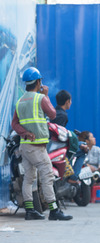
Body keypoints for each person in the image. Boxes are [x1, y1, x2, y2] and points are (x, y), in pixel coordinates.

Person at [11, 67, 72, 221]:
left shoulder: (20, 101)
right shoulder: (40, 98)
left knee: (29, 177)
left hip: (25, 146)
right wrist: (45, 96)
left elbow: (14, 124)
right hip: (37, 147)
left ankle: (30, 211)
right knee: (47, 175)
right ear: (38, 82)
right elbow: (52, 114)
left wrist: (25, 134)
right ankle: (54, 210)